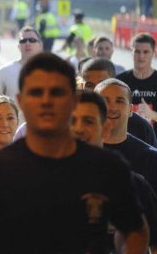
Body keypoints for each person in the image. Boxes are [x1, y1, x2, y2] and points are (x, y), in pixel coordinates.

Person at [0, 52, 148, 253]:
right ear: (21, 100)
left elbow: (135, 230)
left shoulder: (107, 167)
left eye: (57, 93)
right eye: (36, 92)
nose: (46, 101)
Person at [72, 90, 157, 252]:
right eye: (71, 121)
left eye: (88, 121)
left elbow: (146, 238)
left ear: (105, 129)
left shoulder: (133, 186)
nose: (78, 129)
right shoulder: (38, 181)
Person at [97, 78, 157, 193]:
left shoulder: (151, 158)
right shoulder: (75, 152)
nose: (112, 108)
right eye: (105, 100)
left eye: (119, 101)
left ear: (130, 110)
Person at [83, 57, 157, 146]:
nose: (96, 91)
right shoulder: (70, 122)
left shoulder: (140, 127)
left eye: (102, 85)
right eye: (89, 85)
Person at [0, 26, 43, 104]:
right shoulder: (5, 71)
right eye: (23, 40)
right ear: (18, 46)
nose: (27, 43)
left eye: (32, 40)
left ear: (40, 45)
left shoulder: (51, 72)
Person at [118, 33, 157, 126]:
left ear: (153, 53)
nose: (141, 56)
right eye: (137, 51)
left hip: (153, 139)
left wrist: (152, 114)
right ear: (131, 52)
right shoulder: (120, 81)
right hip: (126, 138)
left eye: (146, 52)